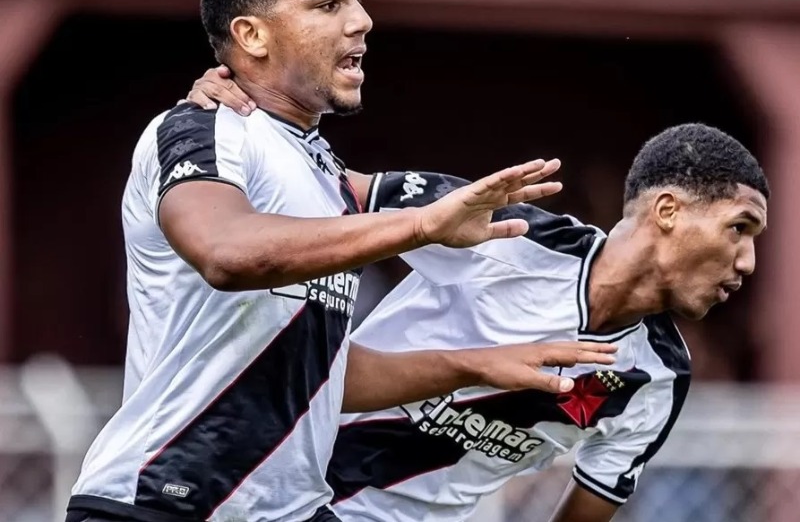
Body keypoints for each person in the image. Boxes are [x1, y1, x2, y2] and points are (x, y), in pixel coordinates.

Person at [65, 0, 617, 522]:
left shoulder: (323, 170)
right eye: (329, 3)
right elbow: (225, 252)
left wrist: (475, 364)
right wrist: (419, 226)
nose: (362, 20)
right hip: (161, 501)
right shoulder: (202, 127)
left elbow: (321, 375)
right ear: (252, 35)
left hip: (293, 510)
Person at [190, 74, 772, 522]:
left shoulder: (658, 377)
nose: (747, 262)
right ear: (667, 211)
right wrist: (238, 119)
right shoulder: (511, 235)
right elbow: (326, 185)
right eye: (738, 229)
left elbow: (589, 507)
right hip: (269, 491)